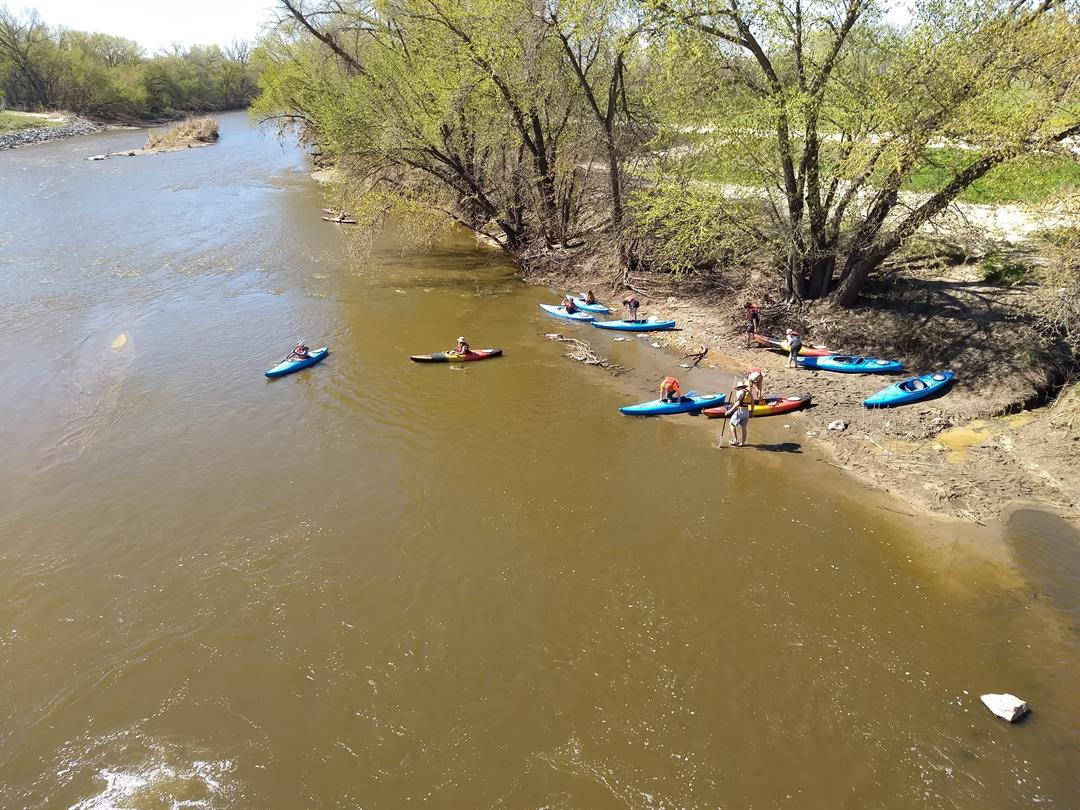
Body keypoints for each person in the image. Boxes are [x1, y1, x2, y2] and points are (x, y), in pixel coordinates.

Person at [727, 381, 751, 446]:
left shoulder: (740, 392)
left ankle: (735, 440)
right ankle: (742, 443)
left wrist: (730, 411)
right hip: (747, 412)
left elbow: (737, 403)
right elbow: (753, 402)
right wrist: (752, 411)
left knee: (731, 423)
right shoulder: (748, 392)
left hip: (740, 412)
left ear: (738, 387)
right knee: (744, 427)